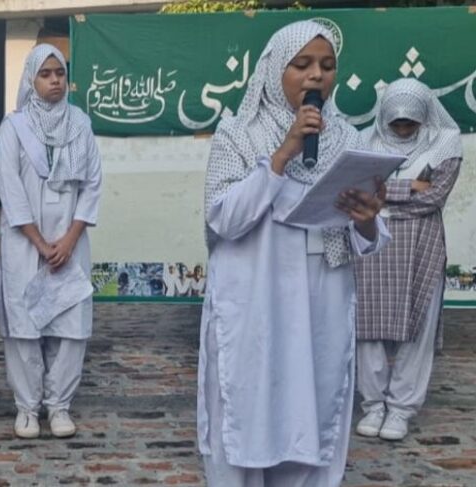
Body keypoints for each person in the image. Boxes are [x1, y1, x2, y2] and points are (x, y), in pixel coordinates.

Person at [198, 20, 390, 486]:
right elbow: (223, 218)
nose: (316, 76)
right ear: (274, 71)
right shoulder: (238, 133)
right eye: (301, 64)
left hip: (321, 301)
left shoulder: (348, 139)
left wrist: (366, 217)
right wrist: (283, 153)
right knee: (246, 410)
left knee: (313, 411)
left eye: (326, 65)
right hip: (254, 299)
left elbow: (366, 236)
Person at [0, 44, 102, 440]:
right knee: (24, 326)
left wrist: (69, 240)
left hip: (70, 240)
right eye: (46, 74)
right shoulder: (13, 128)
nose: (55, 80)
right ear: (31, 79)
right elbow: (10, 189)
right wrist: (40, 243)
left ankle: (59, 406)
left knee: (71, 325)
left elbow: (92, 184)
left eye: (60, 73)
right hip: (25, 243)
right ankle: (27, 407)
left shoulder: (80, 124)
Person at [354, 78, 462, 441]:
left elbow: (434, 198)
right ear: (384, 117)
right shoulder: (365, 142)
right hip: (372, 242)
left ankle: (401, 409)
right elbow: (357, 191)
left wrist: (382, 199)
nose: (402, 128)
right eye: (396, 122)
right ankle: (373, 405)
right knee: (367, 326)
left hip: (422, 246)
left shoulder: (445, 143)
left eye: (410, 123)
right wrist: (408, 187)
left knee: (418, 328)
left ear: (424, 117)